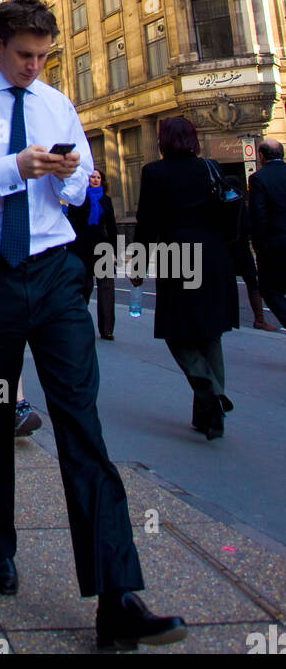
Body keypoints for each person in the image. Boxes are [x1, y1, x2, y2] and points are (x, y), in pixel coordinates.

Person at [0, 0, 186, 650]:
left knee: (82, 424)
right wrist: (13, 167)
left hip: (54, 272)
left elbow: (81, 188)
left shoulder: (56, 101)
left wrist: (70, 176)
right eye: (22, 56)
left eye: (43, 56)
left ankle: (118, 595)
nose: (33, 68)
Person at [134, 117, 240, 440]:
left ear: (163, 140)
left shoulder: (154, 172)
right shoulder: (210, 167)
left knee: (176, 331)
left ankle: (208, 388)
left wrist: (138, 266)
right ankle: (210, 416)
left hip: (176, 254)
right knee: (209, 334)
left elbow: (147, 223)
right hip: (214, 253)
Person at [223, 172, 278, 331]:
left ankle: (229, 318)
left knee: (228, 284)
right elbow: (250, 226)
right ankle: (259, 319)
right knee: (252, 283)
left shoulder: (223, 205)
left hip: (227, 250)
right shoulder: (242, 205)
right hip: (242, 249)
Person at [68, 169, 119, 339]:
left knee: (106, 289)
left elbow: (112, 227)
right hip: (83, 249)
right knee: (85, 288)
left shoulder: (106, 200)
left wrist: (115, 251)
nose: (96, 180)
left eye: (98, 177)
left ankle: (107, 330)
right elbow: (72, 226)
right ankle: (80, 324)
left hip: (103, 248)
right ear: (87, 180)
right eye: (93, 177)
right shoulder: (78, 200)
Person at [248, 138, 286, 330]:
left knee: (270, 290)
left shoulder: (258, 179)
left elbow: (258, 214)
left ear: (261, 156)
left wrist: (258, 244)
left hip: (273, 245)